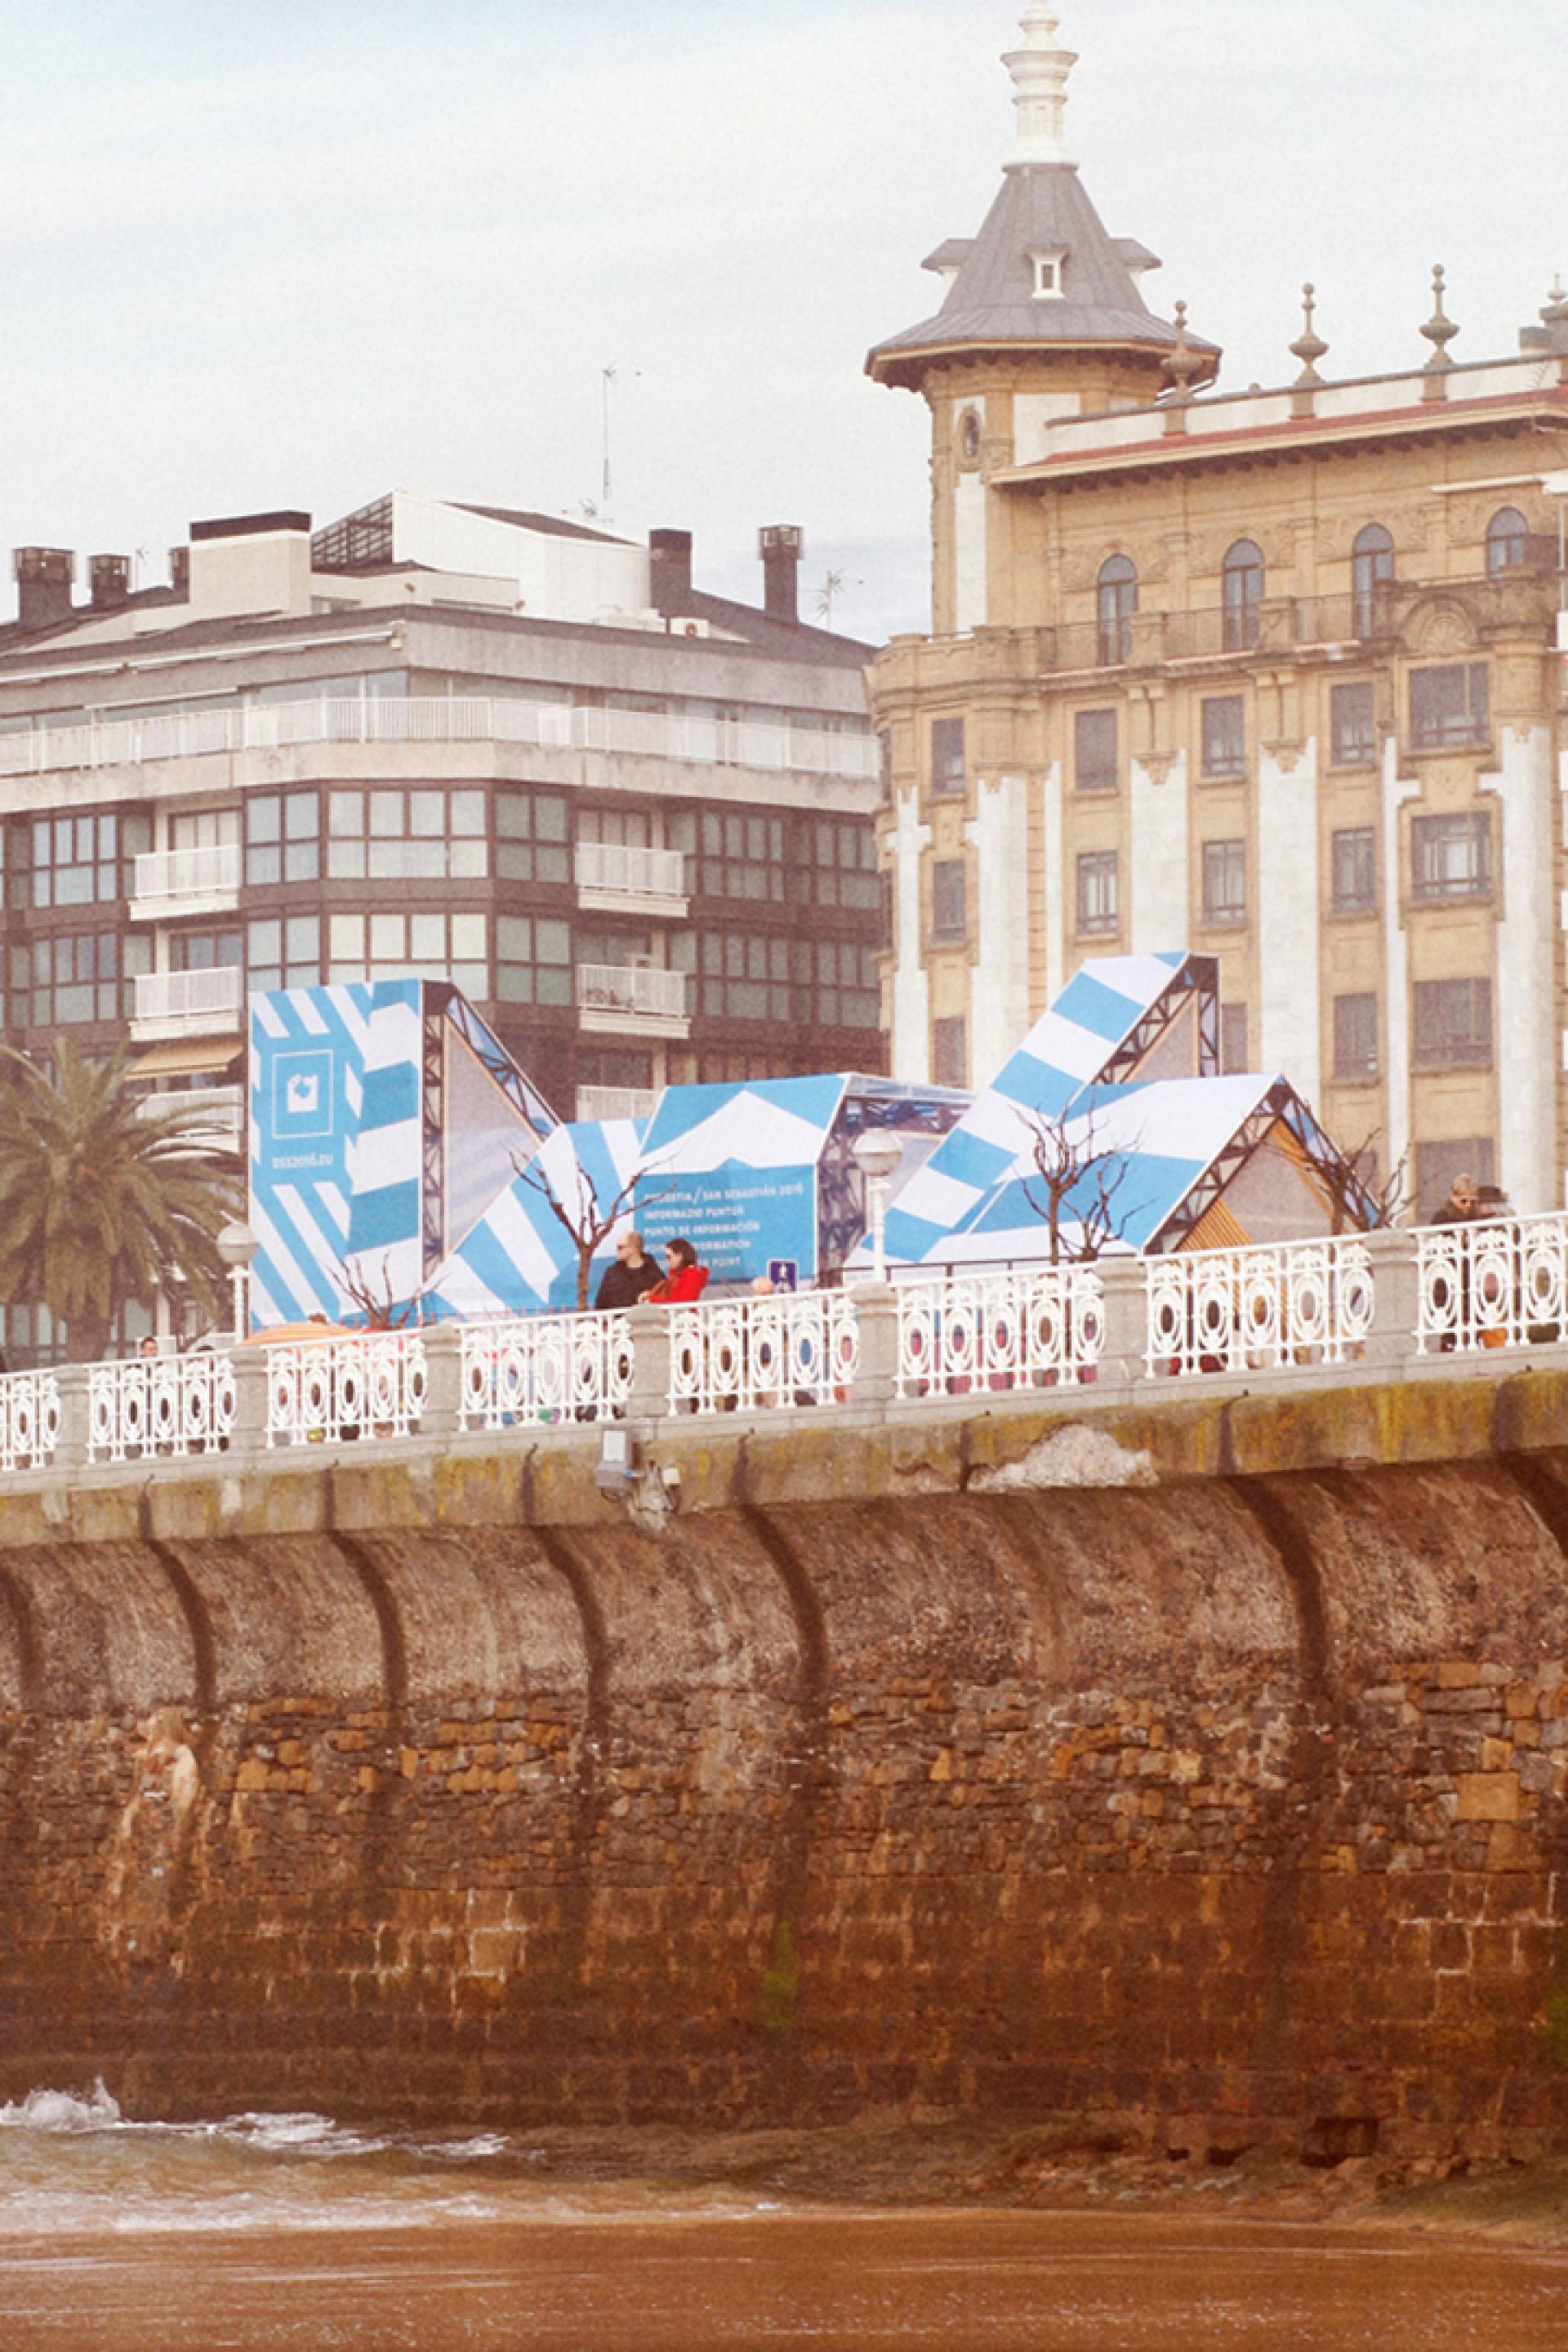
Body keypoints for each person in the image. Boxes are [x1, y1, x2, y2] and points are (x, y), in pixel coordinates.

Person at [594, 1229, 664, 1313]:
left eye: (620, 1247)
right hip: (616, 1323)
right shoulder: (612, 1272)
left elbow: (663, 1299)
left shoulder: (653, 1273)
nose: (617, 1251)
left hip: (644, 1322)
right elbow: (600, 1303)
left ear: (633, 1249)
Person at [646, 1236, 710, 1305]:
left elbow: (683, 1302)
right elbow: (668, 1295)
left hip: (685, 1314)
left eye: (669, 1257)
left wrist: (651, 1300)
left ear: (680, 1256)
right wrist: (649, 1294)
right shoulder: (675, 1275)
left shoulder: (693, 1275)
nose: (667, 1260)